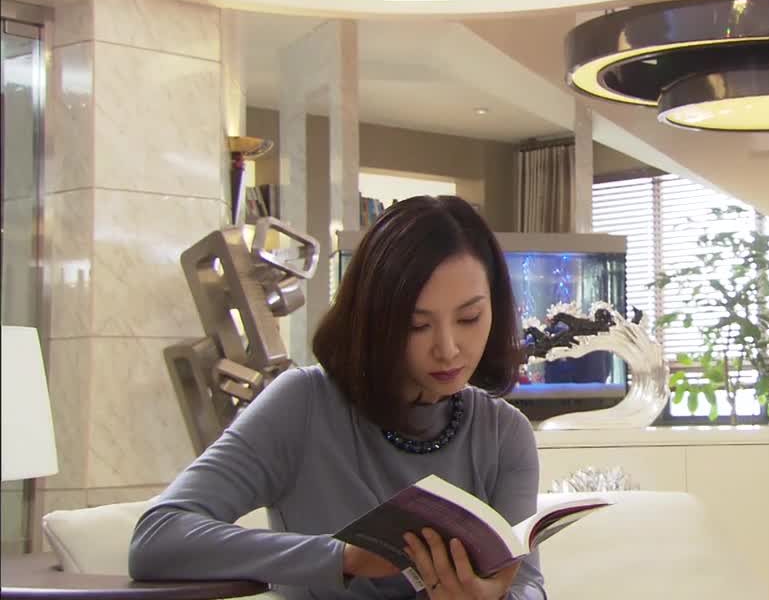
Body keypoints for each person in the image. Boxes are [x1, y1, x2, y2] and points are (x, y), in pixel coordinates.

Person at [130, 195, 546, 600]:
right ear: (375, 319)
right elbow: (158, 536)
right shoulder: (304, 405)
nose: (448, 349)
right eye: (417, 325)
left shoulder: (504, 433)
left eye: (469, 318)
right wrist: (341, 557)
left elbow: (527, 583)